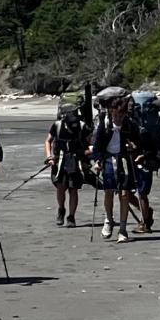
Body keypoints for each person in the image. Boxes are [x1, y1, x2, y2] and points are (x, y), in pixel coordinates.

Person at [89, 88, 146, 242]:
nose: (119, 118)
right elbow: (97, 145)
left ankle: (122, 229)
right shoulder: (105, 123)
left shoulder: (130, 125)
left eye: (121, 115)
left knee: (125, 194)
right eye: (116, 115)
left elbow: (140, 144)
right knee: (108, 192)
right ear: (111, 111)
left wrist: (134, 148)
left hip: (125, 162)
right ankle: (108, 220)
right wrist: (98, 161)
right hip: (108, 161)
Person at [44, 89, 93, 228]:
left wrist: (88, 155)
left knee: (73, 189)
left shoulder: (83, 126)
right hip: (60, 159)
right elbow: (48, 141)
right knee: (60, 187)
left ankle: (71, 216)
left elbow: (90, 142)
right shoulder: (57, 125)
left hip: (76, 160)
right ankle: (61, 210)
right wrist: (49, 157)